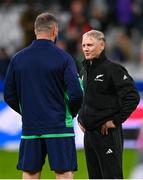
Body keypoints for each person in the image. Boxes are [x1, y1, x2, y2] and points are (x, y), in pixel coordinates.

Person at [4, 12, 83, 179]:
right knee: (63, 174)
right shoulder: (64, 58)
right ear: (55, 30)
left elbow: (9, 95)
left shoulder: (18, 59)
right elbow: (76, 94)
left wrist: (27, 112)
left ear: (35, 31)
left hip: (31, 128)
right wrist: (70, 113)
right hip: (59, 128)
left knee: (30, 174)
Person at [78, 30, 140, 179]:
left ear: (101, 45)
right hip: (89, 135)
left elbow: (132, 96)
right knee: (94, 177)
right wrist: (81, 117)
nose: (86, 48)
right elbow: (85, 97)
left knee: (112, 176)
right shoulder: (84, 70)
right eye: (84, 45)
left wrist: (116, 120)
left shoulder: (113, 69)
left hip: (107, 134)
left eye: (90, 45)